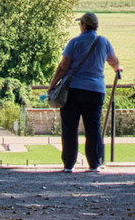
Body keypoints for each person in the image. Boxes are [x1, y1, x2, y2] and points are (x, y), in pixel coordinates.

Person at [50, 12, 121, 173]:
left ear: (83, 25)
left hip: (73, 90)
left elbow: (63, 67)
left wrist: (52, 85)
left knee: (70, 128)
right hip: (95, 90)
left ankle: (69, 164)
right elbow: (113, 61)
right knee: (93, 127)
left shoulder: (75, 42)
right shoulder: (103, 42)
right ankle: (94, 163)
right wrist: (117, 69)